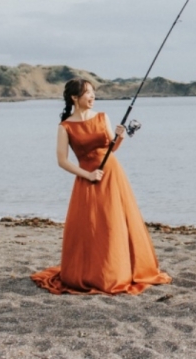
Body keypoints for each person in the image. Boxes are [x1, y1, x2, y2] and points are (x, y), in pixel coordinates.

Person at [31, 78, 172, 294]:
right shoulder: (65, 127)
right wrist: (87, 174)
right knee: (93, 226)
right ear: (74, 98)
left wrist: (120, 136)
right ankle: (95, 271)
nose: (92, 96)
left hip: (112, 175)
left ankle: (120, 268)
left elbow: (110, 149)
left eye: (93, 92)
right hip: (87, 179)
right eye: (87, 93)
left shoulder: (102, 117)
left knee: (114, 222)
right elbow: (62, 161)